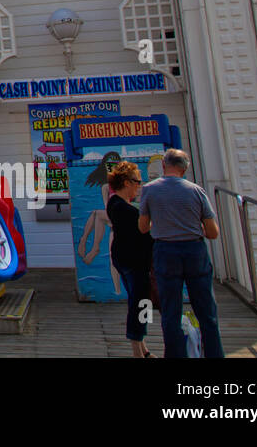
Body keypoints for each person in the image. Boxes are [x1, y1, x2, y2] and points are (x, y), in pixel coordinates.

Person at [137, 148, 224, 358]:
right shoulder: (196, 191)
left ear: (164, 166)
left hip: (165, 250)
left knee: (170, 310)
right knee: (206, 310)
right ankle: (214, 354)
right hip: (194, 249)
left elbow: (143, 227)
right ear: (185, 169)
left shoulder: (149, 190)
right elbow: (213, 232)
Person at [106, 161, 155, 357]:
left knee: (141, 302)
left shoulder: (117, 204)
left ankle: (143, 347)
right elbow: (144, 227)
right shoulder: (121, 207)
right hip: (133, 262)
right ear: (126, 183)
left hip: (127, 259)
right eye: (137, 182)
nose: (139, 186)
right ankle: (138, 350)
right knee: (141, 303)